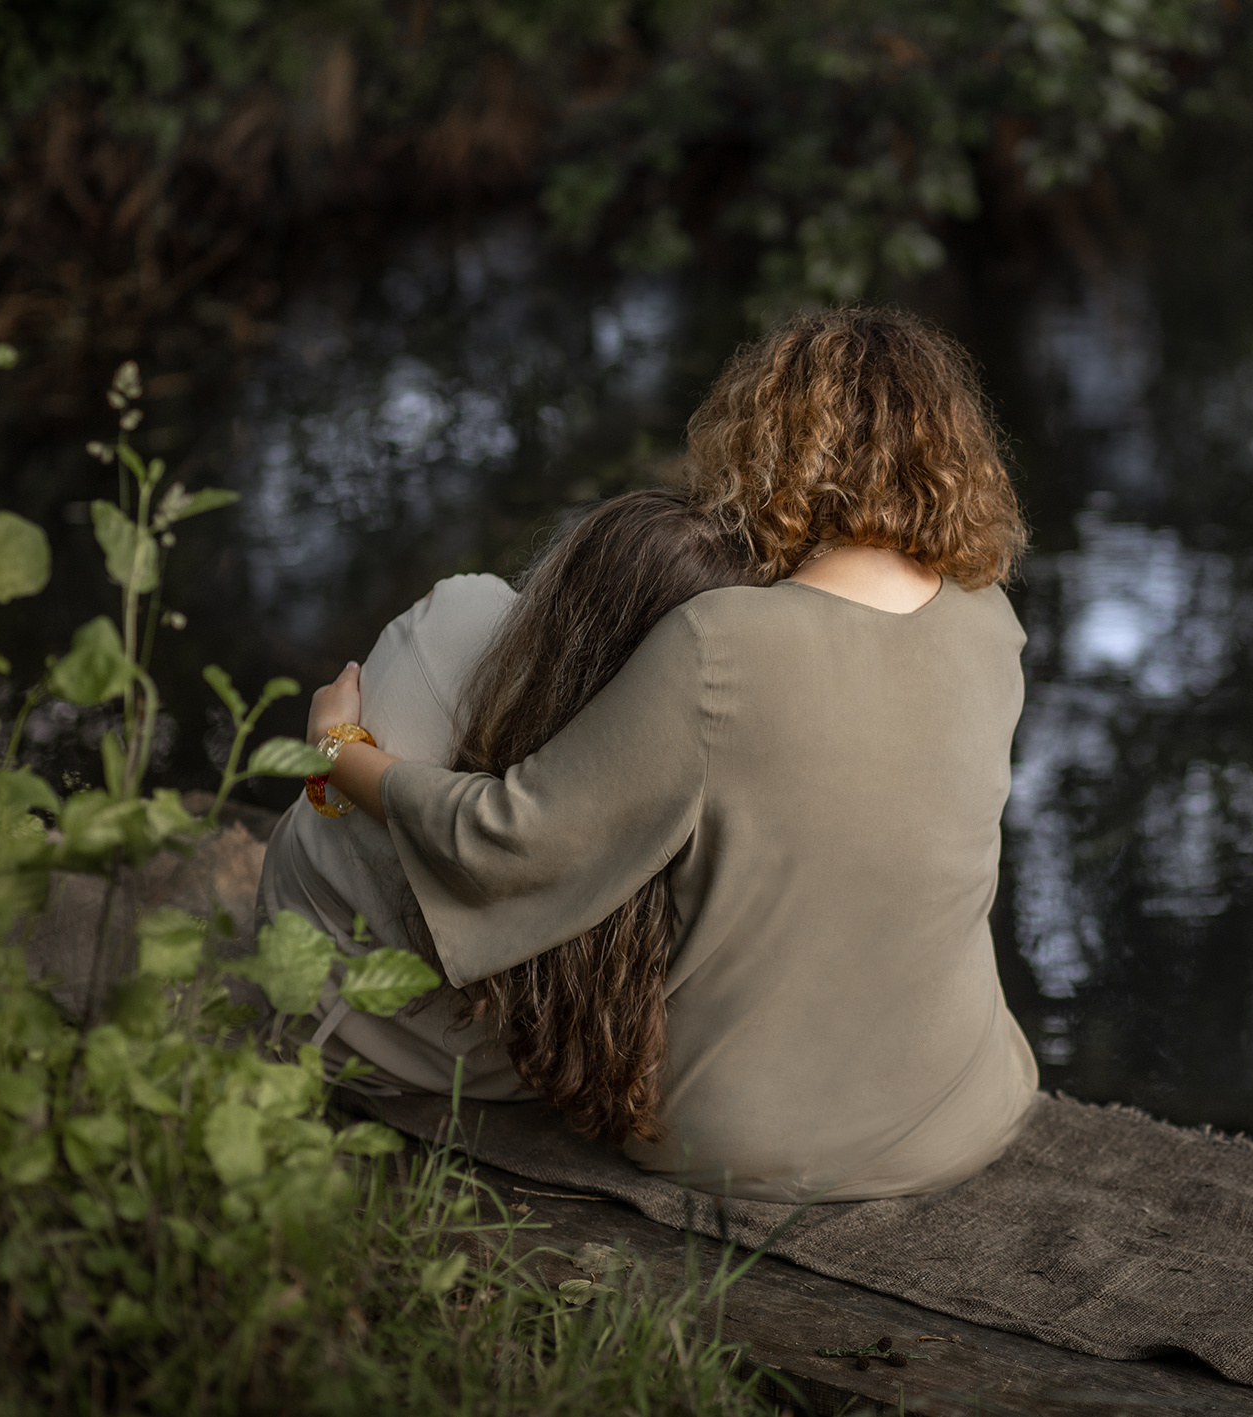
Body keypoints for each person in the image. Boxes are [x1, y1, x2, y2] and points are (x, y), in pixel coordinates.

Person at [306, 307, 1040, 1201]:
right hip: (969, 1102)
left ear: (770, 446)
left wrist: (338, 748)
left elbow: (511, 839)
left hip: (755, 1140)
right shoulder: (990, 620)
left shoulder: (721, 643)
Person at [257, 490, 756, 1124]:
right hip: (457, 1066)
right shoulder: (656, 777)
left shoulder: (457, 604)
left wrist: (332, 749)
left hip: (292, 961)